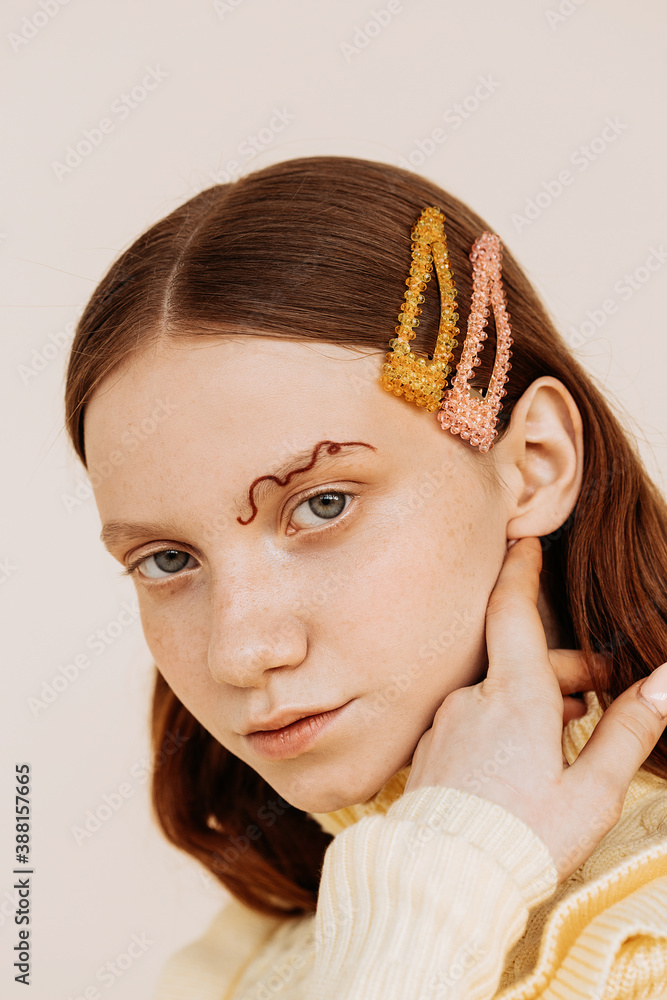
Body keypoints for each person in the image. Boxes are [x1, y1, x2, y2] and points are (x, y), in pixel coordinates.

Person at [63, 156, 667, 999]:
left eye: (322, 506)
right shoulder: (245, 962)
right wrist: (445, 872)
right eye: (168, 561)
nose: (241, 652)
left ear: (534, 464)